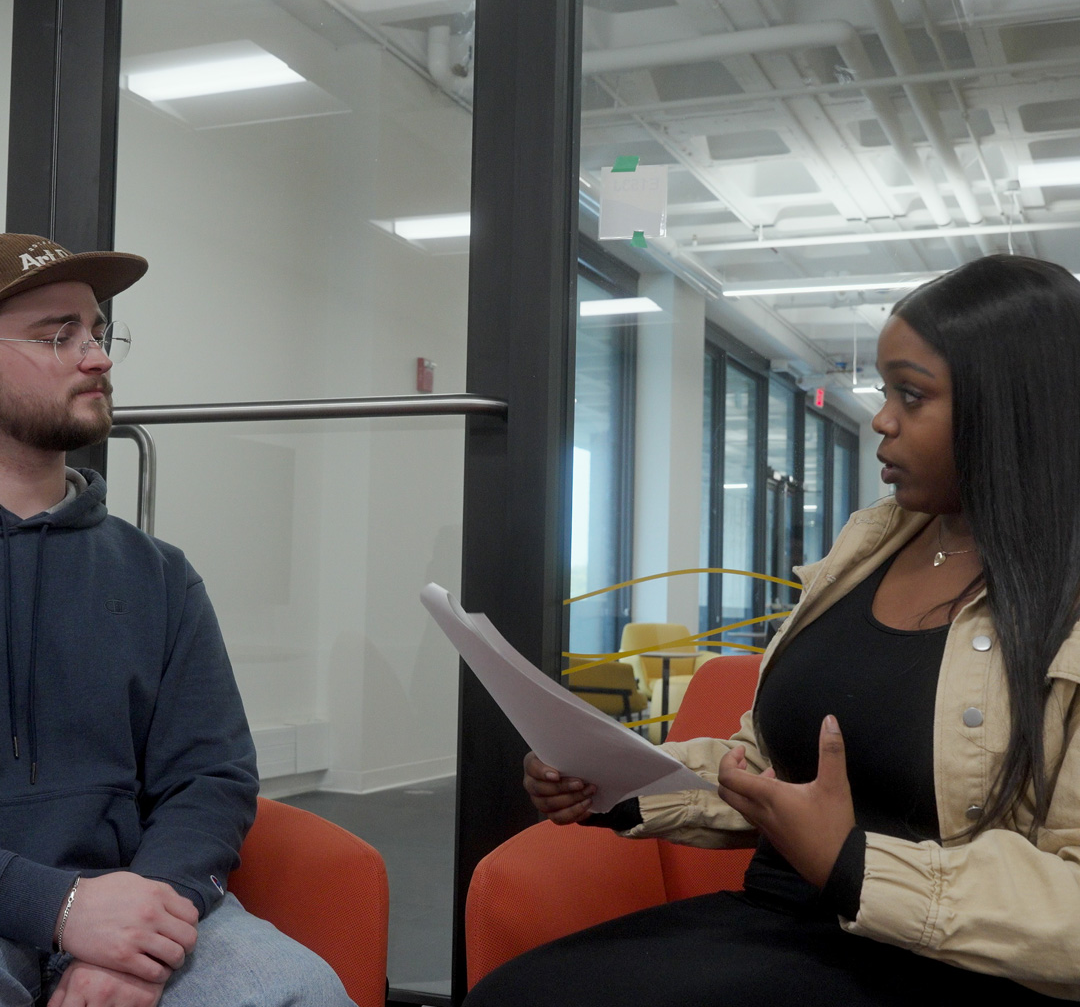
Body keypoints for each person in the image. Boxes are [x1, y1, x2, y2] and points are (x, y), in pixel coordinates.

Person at [468, 253, 1080, 1006]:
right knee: (514, 994)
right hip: (781, 918)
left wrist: (853, 865)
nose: (882, 419)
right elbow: (767, 763)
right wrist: (616, 781)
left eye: (912, 395)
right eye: (886, 392)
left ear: (1013, 410)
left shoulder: (1063, 605)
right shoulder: (867, 548)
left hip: (947, 964)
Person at [0, 233, 354, 1007]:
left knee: (296, 990)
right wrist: (59, 908)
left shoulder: (157, 574)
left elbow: (210, 777)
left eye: (99, 332)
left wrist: (136, 938)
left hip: (135, 898)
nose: (98, 358)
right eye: (59, 336)